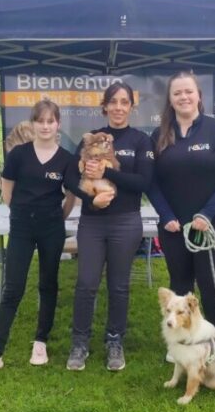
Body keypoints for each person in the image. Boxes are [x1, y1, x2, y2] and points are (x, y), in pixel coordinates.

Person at [0, 100, 76, 381]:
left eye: (50, 121)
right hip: (21, 228)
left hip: (52, 228)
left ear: (58, 125)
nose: (45, 126)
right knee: (12, 288)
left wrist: (56, 218)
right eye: (40, 121)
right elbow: (8, 190)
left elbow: (71, 196)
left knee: (48, 284)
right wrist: (22, 213)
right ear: (32, 124)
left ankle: (40, 342)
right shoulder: (18, 154)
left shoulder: (66, 159)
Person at [64, 82, 154, 371]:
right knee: (86, 283)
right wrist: (91, 201)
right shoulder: (89, 139)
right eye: (113, 102)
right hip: (92, 222)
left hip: (126, 221)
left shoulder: (141, 141)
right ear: (104, 106)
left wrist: (110, 171)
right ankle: (80, 343)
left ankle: (114, 341)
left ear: (131, 106)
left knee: (119, 286)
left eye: (124, 102)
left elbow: (144, 182)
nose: (118, 107)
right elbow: (69, 180)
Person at [148, 70, 215, 334]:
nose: (183, 97)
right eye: (177, 93)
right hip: (174, 227)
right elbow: (151, 182)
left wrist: (207, 214)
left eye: (188, 91)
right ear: (170, 99)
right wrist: (166, 216)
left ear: (199, 96)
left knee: (210, 283)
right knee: (180, 284)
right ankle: (181, 340)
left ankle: (214, 338)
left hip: (212, 223)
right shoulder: (159, 135)